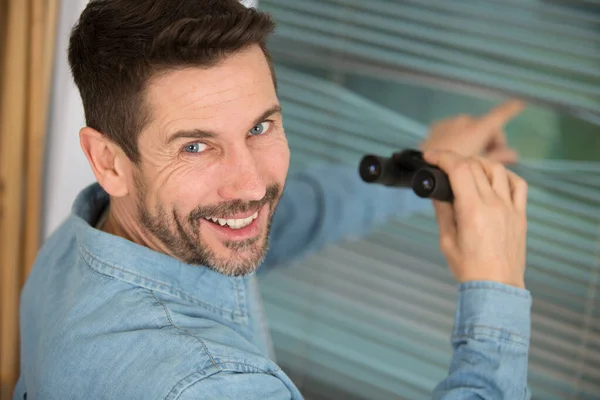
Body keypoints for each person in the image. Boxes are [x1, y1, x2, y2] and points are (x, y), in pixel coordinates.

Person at [14, 1, 531, 399]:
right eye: (196, 146)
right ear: (108, 161)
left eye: (260, 127)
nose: (250, 184)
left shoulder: (90, 237)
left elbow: (294, 216)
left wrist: (423, 165)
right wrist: (496, 289)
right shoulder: (208, 384)